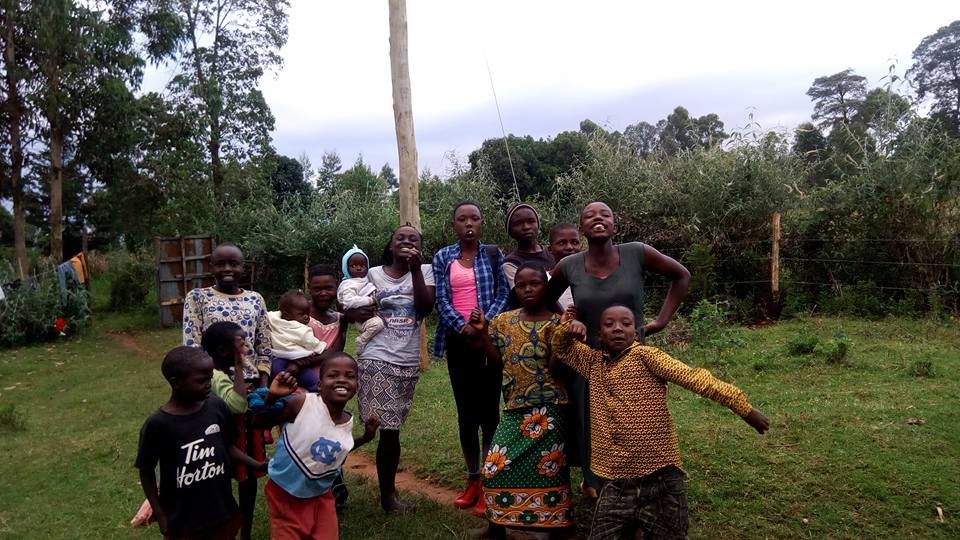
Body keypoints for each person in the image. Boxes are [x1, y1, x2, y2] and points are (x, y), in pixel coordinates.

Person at [552, 305, 769, 539]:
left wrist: (743, 407)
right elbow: (561, 347)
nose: (617, 329)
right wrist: (566, 326)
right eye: (609, 324)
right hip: (616, 481)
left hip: (661, 478)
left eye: (626, 324)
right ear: (599, 335)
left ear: (635, 333)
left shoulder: (647, 356)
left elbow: (693, 377)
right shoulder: (592, 363)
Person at [546, 201, 691, 496]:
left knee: (637, 419)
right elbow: (548, 297)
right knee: (592, 423)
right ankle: (597, 483)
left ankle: (640, 480)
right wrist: (568, 319)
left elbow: (681, 276)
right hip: (589, 360)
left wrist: (661, 321)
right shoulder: (569, 265)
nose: (598, 219)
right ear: (582, 228)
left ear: (615, 225)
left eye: (605, 215)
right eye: (589, 216)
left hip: (632, 359)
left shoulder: (636, 252)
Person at [471, 263, 574, 538]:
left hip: (552, 406)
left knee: (549, 470)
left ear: (546, 287)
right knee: (494, 466)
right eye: (521, 285)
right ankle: (497, 527)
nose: (528, 289)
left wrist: (563, 334)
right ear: (515, 288)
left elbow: (557, 367)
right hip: (515, 405)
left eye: (535, 284)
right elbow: (497, 363)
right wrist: (483, 332)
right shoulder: (503, 321)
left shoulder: (556, 322)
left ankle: (555, 527)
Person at [181, 243, 272, 540]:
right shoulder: (197, 298)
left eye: (234, 264)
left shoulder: (256, 299)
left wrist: (262, 385)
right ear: (211, 267)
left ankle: (244, 531)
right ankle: (219, 525)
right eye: (220, 264)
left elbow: (264, 346)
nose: (227, 270)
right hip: (211, 390)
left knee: (249, 470)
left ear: (243, 266)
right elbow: (191, 345)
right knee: (213, 463)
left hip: (248, 392)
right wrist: (203, 388)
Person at [135, 346, 265, 540]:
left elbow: (227, 446)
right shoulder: (158, 425)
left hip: (222, 513)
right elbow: (146, 471)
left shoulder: (216, 406)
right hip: (183, 522)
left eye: (210, 377)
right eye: (201, 380)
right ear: (176, 383)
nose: (208, 384)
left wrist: (257, 464)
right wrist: (161, 514)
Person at [433, 201, 510, 512]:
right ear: (453, 225)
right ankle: (473, 479)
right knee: (466, 414)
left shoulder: (493, 254)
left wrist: (484, 325)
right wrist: (463, 327)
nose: (468, 223)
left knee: (490, 412)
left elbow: (504, 293)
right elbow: (441, 297)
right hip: (459, 341)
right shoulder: (442, 257)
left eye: (474, 219)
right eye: (462, 219)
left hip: (488, 341)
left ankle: (490, 484)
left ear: (481, 223)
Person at [352, 224, 435, 512]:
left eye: (413, 239)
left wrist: (414, 270)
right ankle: (388, 498)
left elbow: (425, 309)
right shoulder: (372, 274)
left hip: (407, 359)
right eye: (400, 238)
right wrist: (358, 311)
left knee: (393, 427)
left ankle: (384, 493)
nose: (406, 241)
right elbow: (353, 304)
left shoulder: (425, 271)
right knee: (388, 431)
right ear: (390, 244)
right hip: (376, 356)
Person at [259, 355, 380, 539]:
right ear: (319, 384)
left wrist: (365, 437)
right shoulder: (302, 404)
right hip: (285, 491)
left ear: (357, 385)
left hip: (321, 495)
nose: (341, 379)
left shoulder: (347, 421)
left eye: (350, 376)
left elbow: (336, 450)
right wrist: (272, 396)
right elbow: (262, 420)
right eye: (333, 375)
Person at [268, 290, 327, 392]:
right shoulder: (302, 331)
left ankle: (280, 388)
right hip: (297, 359)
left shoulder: (273, 319)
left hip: (280, 359)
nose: (307, 317)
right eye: (302, 314)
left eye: (308, 313)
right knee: (313, 381)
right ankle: (315, 390)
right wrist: (322, 345)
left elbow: (267, 315)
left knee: (275, 372)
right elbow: (313, 344)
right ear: (286, 315)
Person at [338, 245, 385, 354]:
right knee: (378, 324)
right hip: (362, 319)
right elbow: (348, 302)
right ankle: (362, 340)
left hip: (370, 314)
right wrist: (370, 301)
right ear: (346, 268)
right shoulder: (348, 284)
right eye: (353, 266)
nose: (358, 268)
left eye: (362, 265)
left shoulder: (364, 280)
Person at [501, 203, 556, 290]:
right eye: (518, 223)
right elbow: (525, 295)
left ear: (538, 225)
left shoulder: (552, 252)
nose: (526, 227)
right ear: (510, 231)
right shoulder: (511, 263)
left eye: (531, 221)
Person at [546, 223, 581, 311]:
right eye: (562, 243)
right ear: (550, 249)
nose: (569, 247)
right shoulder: (543, 281)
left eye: (575, 242)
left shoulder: (589, 276)